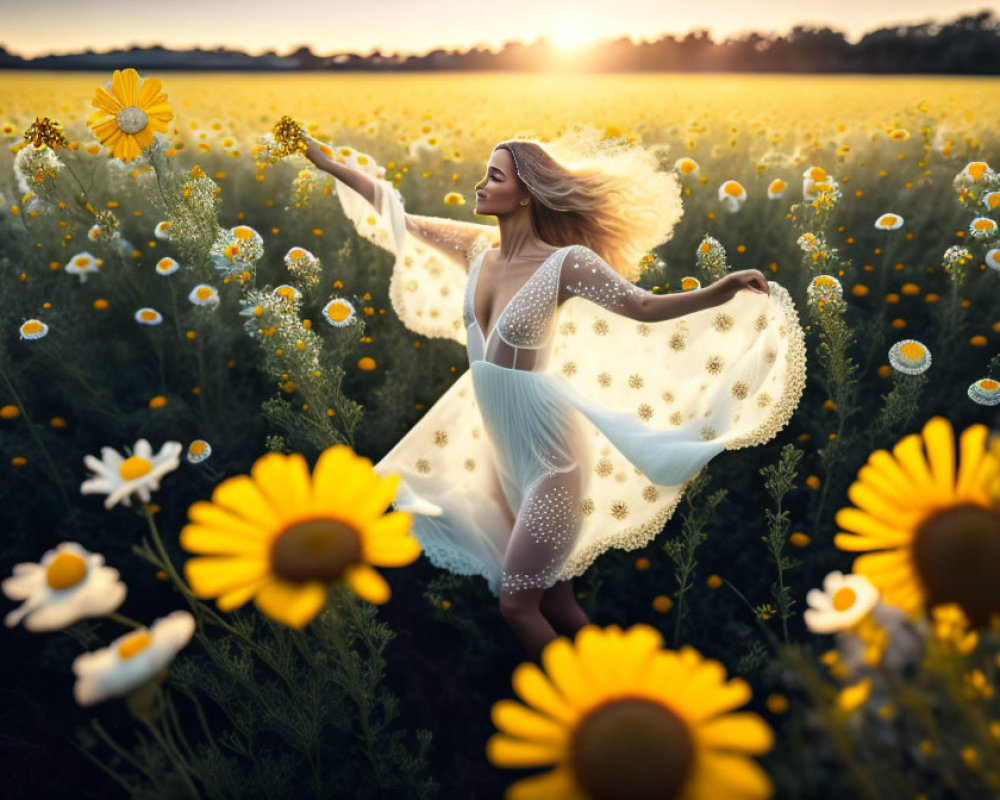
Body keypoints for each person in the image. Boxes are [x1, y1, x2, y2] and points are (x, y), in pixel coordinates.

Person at [302, 128, 806, 661]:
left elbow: (642, 308)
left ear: (525, 194)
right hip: (502, 458)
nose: (480, 183)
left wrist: (718, 290)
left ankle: (579, 705)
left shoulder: (565, 264)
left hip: (554, 461)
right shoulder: (477, 250)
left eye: (494, 176)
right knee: (559, 605)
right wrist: (327, 163)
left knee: (518, 605)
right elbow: (396, 214)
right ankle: (610, 680)